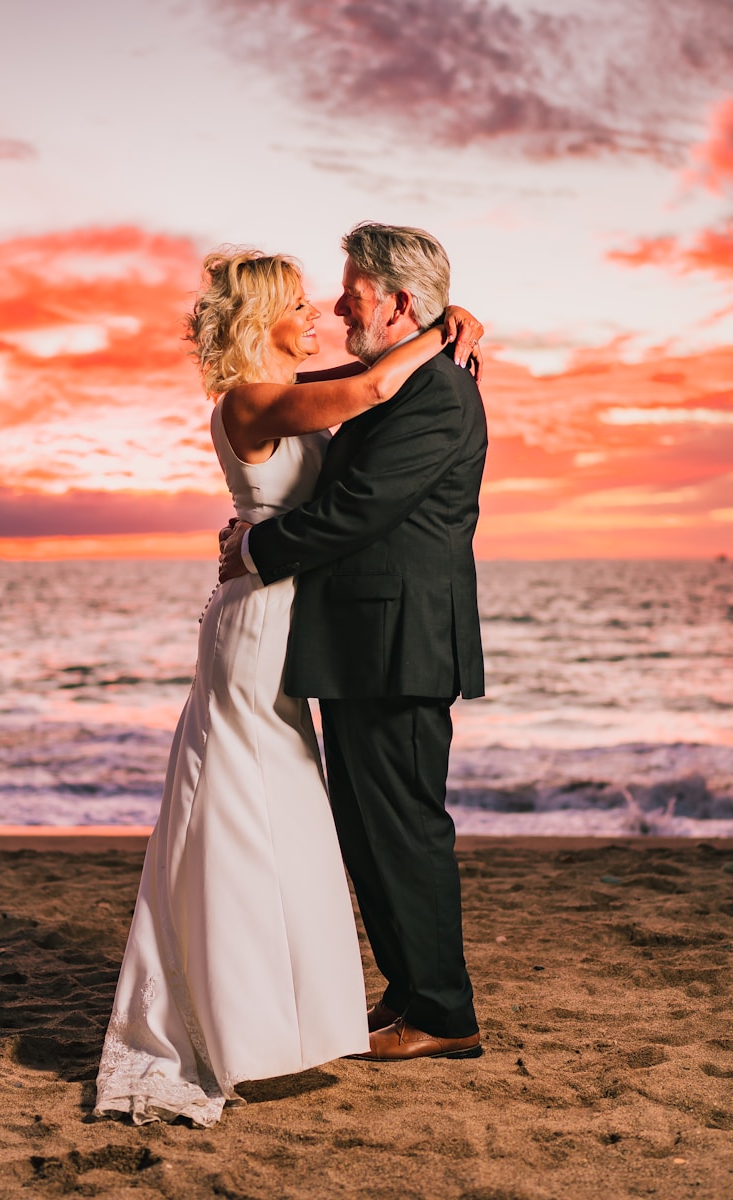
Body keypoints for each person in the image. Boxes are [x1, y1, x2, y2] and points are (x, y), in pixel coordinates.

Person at [93, 246, 484, 1127]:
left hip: (300, 622)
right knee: (248, 799)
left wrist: (443, 326)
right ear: (258, 317)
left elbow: (369, 379)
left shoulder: (297, 384)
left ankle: (324, 1003)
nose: (323, 314)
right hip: (264, 621)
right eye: (303, 304)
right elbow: (373, 388)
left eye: (337, 299)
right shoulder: (255, 398)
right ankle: (243, 1003)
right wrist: (439, 329)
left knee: (295, 804)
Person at [220, 222, 488, 1062]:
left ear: (399, 302)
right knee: (368, 825)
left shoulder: (438, 392)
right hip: (360, 637)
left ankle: (444, 1012)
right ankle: (409, 992)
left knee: (403, 823)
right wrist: (448, 325)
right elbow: (347, 391)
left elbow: (361, 506)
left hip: (398, 638)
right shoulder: (393, 377)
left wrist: (256, 549)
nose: (339, 308)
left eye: (353, 294)